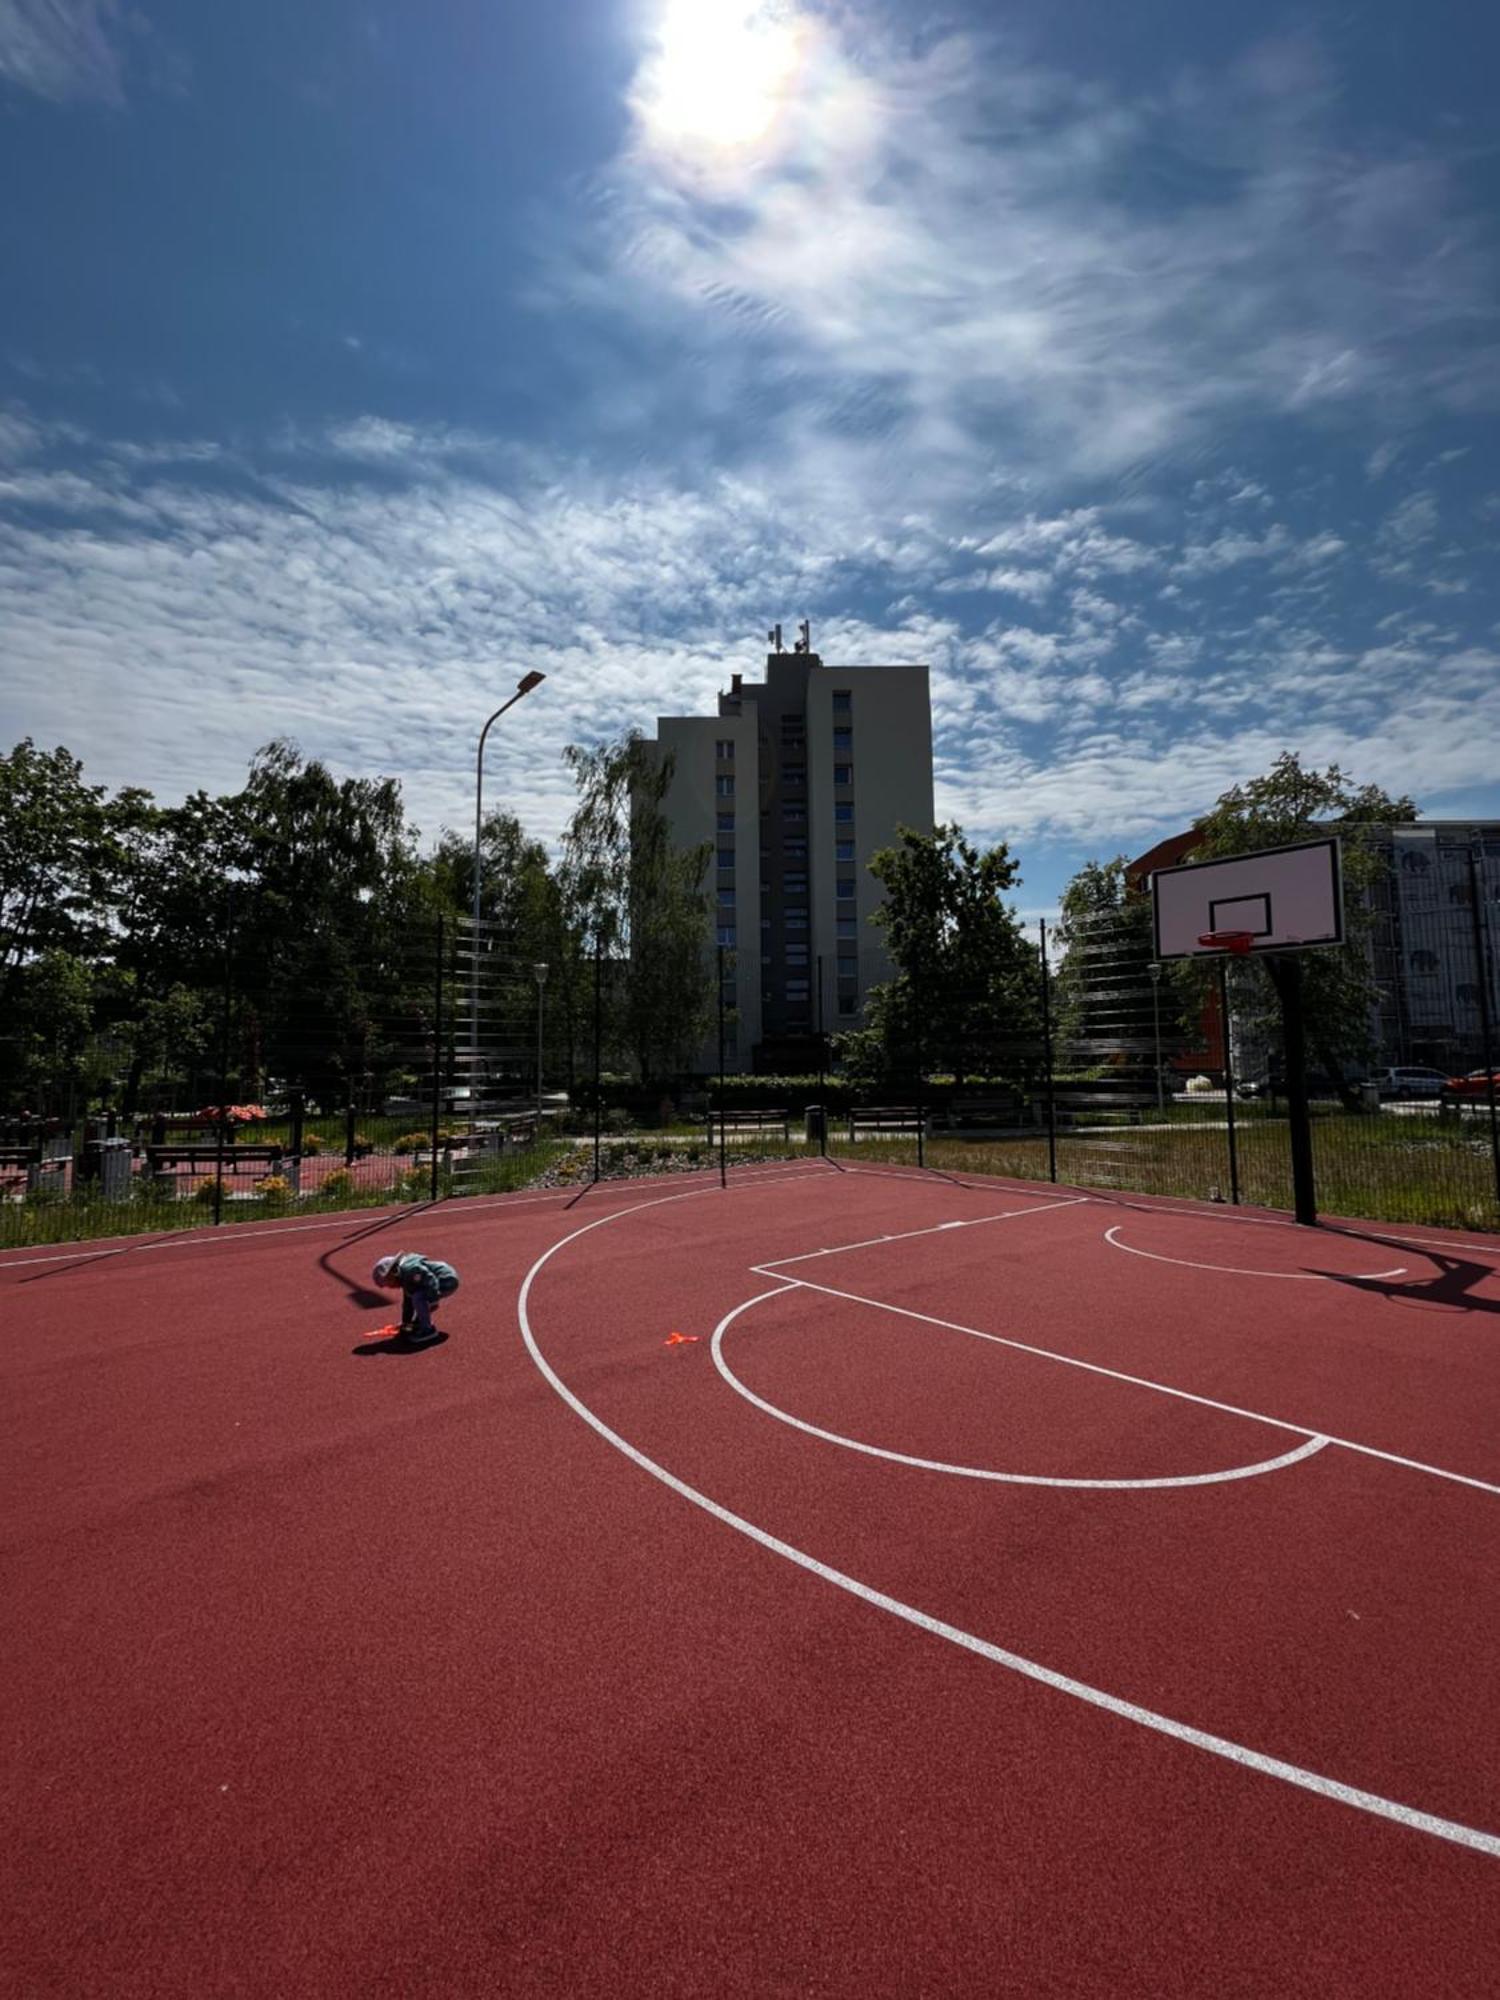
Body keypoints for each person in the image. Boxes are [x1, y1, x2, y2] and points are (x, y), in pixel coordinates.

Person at [372, 1252, 459, 1346]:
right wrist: (406, 1323)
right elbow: (407, 1303)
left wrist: (433, 1301)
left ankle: (428, 1330)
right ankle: (418, 1323)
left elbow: (431, 1280)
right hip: (437, 1282)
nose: (390, 1287)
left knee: (418, 1297)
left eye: (388, 1282)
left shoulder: (410, 1270)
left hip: (447, 1279)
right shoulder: (405, 1278)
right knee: (415, 1296)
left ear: (393, 1273)